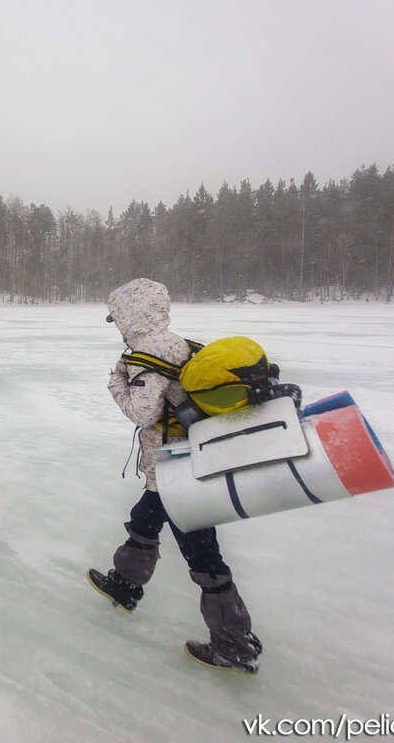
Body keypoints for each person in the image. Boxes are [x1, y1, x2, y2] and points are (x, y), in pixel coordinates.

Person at [88, 277, 262, 674]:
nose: (116, 325)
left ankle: (235, 644)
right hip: (183, 462)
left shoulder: (145, 355)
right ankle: (126, 584)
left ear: (131, 317)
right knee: (144, 520)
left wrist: (117, 383)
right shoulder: (182, 344)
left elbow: (143, 412)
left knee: (202, 552)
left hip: (176, 469)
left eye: (117, 319)